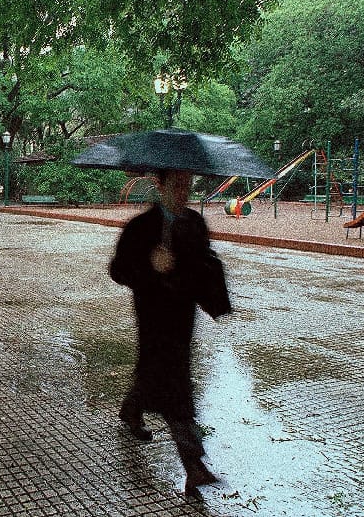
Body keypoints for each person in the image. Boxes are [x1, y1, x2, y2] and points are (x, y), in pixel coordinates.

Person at [109, 169, 232, 495]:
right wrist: (151, 265)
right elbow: (118, 271)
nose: (184, 193)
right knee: (174, 387)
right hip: (152, 317)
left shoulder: (194, 223)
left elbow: (202, 267)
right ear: (160, 185)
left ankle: (131, 409)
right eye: (177, 185)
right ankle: (194, 466)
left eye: (188, 186)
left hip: (182, 319)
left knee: (156, 374)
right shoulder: (141, 228)